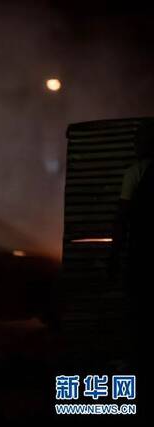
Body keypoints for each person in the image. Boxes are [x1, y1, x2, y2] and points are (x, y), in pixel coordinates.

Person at [110, 121, 154, 376]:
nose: (135, 144)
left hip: (141, 253)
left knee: (137, 309)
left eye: (139, 140)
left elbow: (122, 217)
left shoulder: (135, 173)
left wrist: (114, 255)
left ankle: (136, 363)